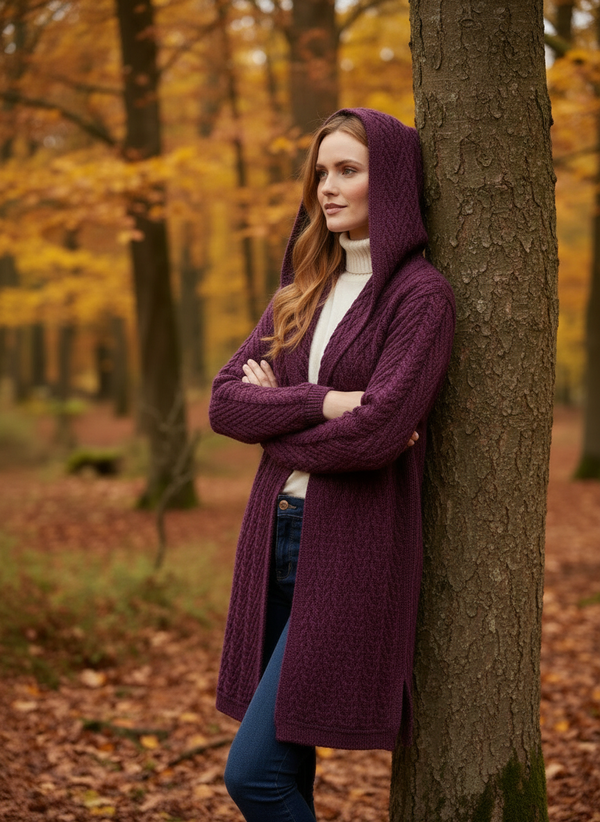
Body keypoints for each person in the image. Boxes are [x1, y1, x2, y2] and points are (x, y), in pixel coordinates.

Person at [208, 107, 456, 821]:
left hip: (350, 546)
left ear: (395, 184)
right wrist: (325, 404)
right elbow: (226, 404)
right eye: (321, 172)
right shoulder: (301, 287)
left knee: (253, 777)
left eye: (348, 170)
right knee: (285, 765)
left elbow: (379, 434)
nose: (327, 187)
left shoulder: (420, 298)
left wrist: (279, 417)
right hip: (275, 534)